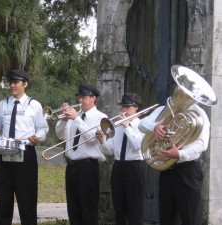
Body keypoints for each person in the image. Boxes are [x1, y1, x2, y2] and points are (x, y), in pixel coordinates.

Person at [0, 69, 49, 225]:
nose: (12, 85)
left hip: (25, 154)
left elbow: (43, 128)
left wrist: (38, 137)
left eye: (16, 82)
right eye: (10, 83)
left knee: (27, 200)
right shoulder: (3, 104)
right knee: (3, 199)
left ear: (25, 84)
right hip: (5, 154)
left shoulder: (34, 105)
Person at [138, 98, 210, 225]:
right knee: (167, 219)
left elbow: (202, 144)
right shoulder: (165, 109)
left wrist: (179, 154)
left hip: (188, 171)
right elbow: (141, 124)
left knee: (191, 219)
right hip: (167, 171)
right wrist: (155, 127)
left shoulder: (199, 114)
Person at [55, 84, 107, 225]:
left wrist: (77, 119)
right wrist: (63, 120)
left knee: (88, 210)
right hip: (71, 167)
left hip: (88, 168)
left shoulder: (101, 117)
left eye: (84, 97)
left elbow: (92, 139)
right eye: (79, 97)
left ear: (93, 98)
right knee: (73, 209)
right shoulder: (73, 117)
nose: (80, 100)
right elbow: (61, 136)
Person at [96, 93, 145, 225]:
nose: (123, 110)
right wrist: (101, 141)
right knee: (119, 207)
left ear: (136, 108)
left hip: (134, 167)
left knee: (135, 208)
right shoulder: (117, 127)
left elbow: (137, 146)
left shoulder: (142, 125)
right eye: (122, 106)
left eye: (127, 107)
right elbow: (110, 150)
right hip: (118, 167)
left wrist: (127, 127)